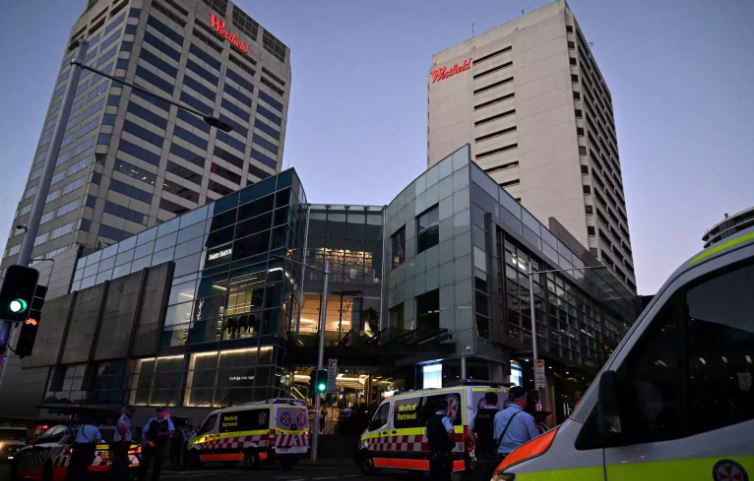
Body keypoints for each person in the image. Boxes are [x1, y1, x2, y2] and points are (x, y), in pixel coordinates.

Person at [493, 387, 540, 461]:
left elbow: (496, 437)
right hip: (520, 456)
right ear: (522, 399)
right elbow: (536, 440)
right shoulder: (527, 417)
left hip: (502, 458)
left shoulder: (498, 415)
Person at [139, 408, 175, 481]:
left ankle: (155, 478)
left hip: (160, 444)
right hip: (151, 442)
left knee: (158, 463)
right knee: (146, 462)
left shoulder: (167, 421)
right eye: (158, 412)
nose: (159, 414)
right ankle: (142, 478)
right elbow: (145, 431)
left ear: (163, 413)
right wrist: (145, 440)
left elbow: (172, 431)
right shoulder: (152, 420)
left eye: (161, 412)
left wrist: (163, 433)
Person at [471, 392, 500, 481]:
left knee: (482, 473)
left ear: (485, 401)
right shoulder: (499, 414)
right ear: (496, 401)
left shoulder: (478, 413)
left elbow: (469, 431)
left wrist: (476, 442)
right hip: (495, 449)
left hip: (481, 449)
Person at [425, 398, 455, 481]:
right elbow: (450, 431)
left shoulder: (429, 420)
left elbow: (427, 434)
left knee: (434, 476)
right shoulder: (445, 418)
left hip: (433, 455)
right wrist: (451, 441)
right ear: (446, 408)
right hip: (444, 454)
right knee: (445, 476)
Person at [66, 416, 102, 481]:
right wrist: (94, 450)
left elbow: (74, 434)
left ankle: (70, 477)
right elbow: (98, 441)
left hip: (76, 447)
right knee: (83, 465)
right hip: (85, 448)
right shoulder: (95, 429)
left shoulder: (81, 426)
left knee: (72, 465)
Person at [112, 407, 136, 481]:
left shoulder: (127, 419)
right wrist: (124, 438)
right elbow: (121, 427)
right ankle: (120, 477)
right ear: (126, 410)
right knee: (121, 461)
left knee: (122, 461)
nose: (132, 413)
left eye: (133, 411)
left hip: (123, 442)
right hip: (121, 442)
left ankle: (121, 476)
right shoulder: (123, 418)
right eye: (131, 411)